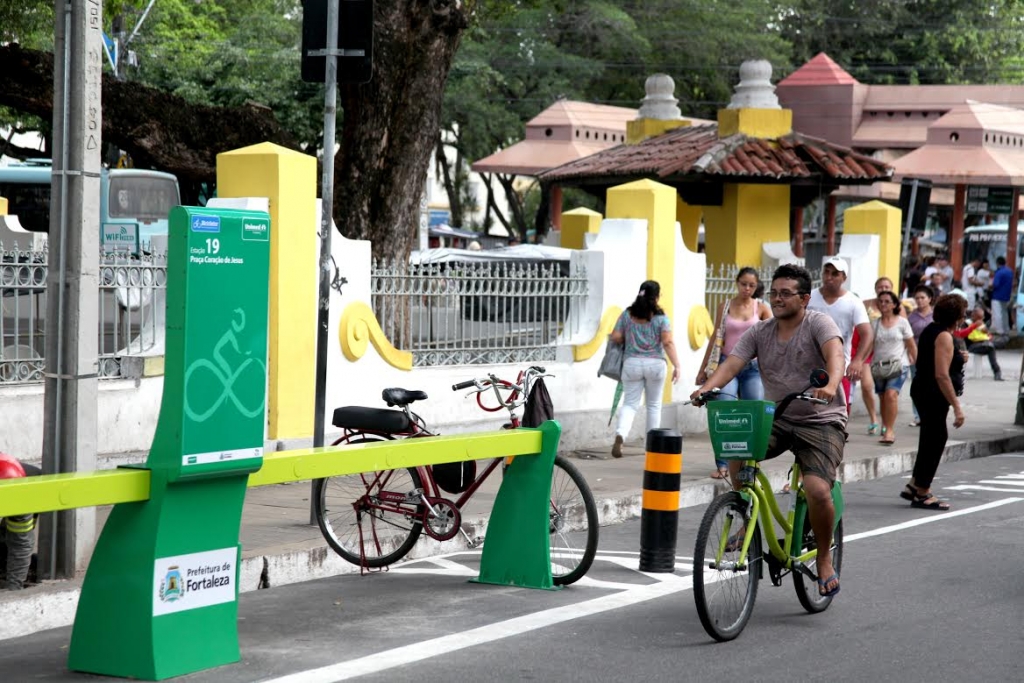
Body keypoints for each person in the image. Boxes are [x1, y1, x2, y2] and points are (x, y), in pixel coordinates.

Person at [692, 263, 846, 597]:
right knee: (738, 446)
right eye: (774, 292)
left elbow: (835, 354)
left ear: (804, 298)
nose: (777, 299)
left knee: (817, 489)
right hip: (780, 415)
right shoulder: (761, 331)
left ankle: (823, 558)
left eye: (786, 293)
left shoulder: (818, 323)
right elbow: (733, 363)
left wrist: (832, 384)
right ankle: (745, 515)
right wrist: (707, 387)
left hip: (821, 419)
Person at [697, 267, 772, 479]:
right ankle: (723, 464)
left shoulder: (762, 308)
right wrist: (703, 369)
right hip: (726, 365)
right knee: (724, 411)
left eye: (752, 285)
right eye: (743, 284)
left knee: (755, 412)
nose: (747, 288)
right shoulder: (725, 306)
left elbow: (772, 337)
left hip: (752, 368)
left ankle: (751, 462)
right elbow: (715, 337)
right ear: (737, 283)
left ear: (756, 287)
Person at [904, 294, 968, 511]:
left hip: (922, 390)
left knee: (929, 438)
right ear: (956, 316)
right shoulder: (944, 337)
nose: (963, 318)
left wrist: (959, 357)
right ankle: (923, 492)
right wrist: (957, 408)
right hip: (932, 393)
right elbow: (941, 374)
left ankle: (914, 484)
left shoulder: (932, 330)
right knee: (936, 439)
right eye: (962, 315)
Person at [610, 280, 681, 458]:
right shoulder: (661, 318)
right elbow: (667, 342)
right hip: (655, 364)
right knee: (654, 405)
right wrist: (677, 365)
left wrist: (630, 339)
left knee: (630, 404)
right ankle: (651, 446)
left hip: (631, 363)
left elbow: (616, 336)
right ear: (656, 297)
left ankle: (621, 434)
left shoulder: (627, 314)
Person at [808, 256, 873, 413]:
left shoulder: (853, 302)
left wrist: (857, 361)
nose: (829, 277)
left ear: (844, 277)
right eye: (826, 272)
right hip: (808, 366)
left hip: (839, 368)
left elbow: (867, 334)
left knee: (840, 412)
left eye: (835, 274)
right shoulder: (809, 297)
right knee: (809, 411)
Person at [858, 277, 906, 437]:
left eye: (886, 286)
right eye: (880, 287)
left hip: (887, 353)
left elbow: (904, 330)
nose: (883, 289)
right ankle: (873, 418)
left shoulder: (897, 307)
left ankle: (887, 425)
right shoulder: (866, 304)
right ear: (875, 288)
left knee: (887, 394)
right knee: (866, 386)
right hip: (867, 349)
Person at [870, 291, 917, 445]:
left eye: (887, 301)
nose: (883, 304)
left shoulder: (902, 322)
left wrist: (917, 363)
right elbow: (869, 346)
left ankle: (890, 430)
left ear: (895, 304)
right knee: (883, 398)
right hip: (879, 366)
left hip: (899, 365)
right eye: (881, 301)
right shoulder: (874, 324)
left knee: (891, 395)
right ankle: (885, 425)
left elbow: (911, 345)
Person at [0, 452, 36, 590]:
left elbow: (21, 544)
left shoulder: (23, 494)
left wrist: (14, 588)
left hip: (30, 492)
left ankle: (9, 574)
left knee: (15, 536)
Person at [907, 284, 936, 426]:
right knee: (917, 387)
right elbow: (907, 337)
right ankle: (917, 415)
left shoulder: (936, 315)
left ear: (929, 299)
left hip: (934, 355)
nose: (919, 300)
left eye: (922, 297)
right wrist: (909, 353)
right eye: (917, 298)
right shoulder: (911, 317)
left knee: (932, 386)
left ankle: (931, 414)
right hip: (916, 355)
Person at [956, 305, 1003, 381]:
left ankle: (997, 372)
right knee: (991, 348)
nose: (980, 320)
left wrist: (986, 332)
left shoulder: (981, 324)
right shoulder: (967, 323)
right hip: (972, 345)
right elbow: (961, 334)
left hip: (983, 344)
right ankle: (997, 372)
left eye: (981, 318)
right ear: (973, 316)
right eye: (978, 317)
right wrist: (974, 326)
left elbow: (988, 335)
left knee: (993, 345)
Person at [990, 256, 1013, 338]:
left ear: (997, 263)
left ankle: (999, 330)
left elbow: (995, 284)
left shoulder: (999, 272)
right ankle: (1006, 329)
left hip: (997, 295)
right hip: (1006, 295)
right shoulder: (1009, 271)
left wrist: (990, 286)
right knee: (1004, 313)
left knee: (997, 313)